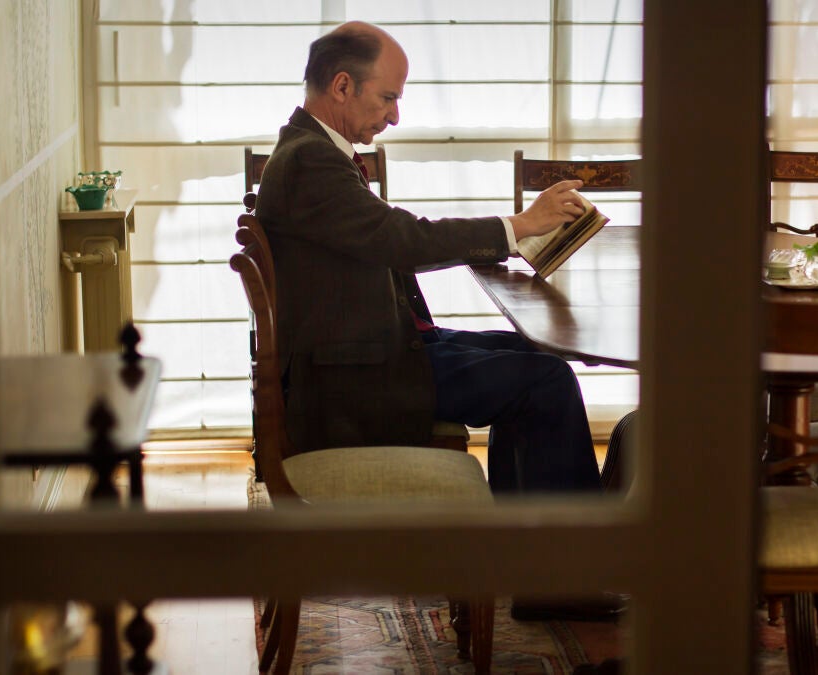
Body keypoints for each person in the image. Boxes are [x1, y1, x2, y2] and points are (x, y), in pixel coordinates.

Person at [256, 23, 607, 500]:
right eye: (387, 98)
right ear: (341, 86)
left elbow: (389, 240)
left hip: (375, 350)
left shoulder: (311, 151)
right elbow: (403, 240)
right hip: (357, 378)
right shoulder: (309, 162)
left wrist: (514, 232)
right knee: (548, 381)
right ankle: (576, 537)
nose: (395, 116)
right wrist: (519, 226)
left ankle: (523, 526)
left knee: (538, 353)